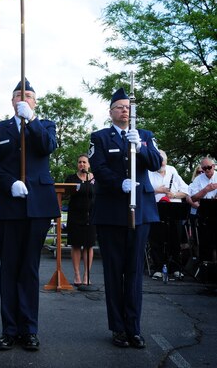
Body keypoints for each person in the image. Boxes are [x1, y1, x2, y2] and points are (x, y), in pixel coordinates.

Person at [0, 79, 60, 352]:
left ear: (35, 102)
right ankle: (9, 329)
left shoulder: (46, 125)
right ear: (11, 100)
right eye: (18, 95)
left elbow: (48, 147)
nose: (23, 98)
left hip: (37, 207)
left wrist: (34, 121)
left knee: (29, 268)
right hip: (8, 205)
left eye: (28, 95)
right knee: (9, 268)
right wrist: (9, 183)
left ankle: (29, 329)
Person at [88, 87, 162, 350]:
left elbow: (155, 163)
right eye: (119, 106)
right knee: (113, 271)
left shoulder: (145, 136)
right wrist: (119, 183)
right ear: (110, 112)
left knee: (134, 272)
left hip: (140, 212)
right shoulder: (100, 137)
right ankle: (118, 328)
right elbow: (98, 166)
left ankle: (134, 328)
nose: (124, 110)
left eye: (128, 107)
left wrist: (139, 146)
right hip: (111, 212)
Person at [147, 150, 189, 279]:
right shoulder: (148, 172)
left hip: (173, 209)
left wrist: (174, 194)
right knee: (156, 240)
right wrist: (156, 190)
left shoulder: (172, 170)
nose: (161, 164)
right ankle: (158, 268)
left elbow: (186, 191)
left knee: (175, 239)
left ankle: (175, 267)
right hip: (154, 209)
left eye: (163, 162)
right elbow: (141, 190)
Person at [64, 154, 96, 287]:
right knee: (76, 245)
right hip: (75, 216)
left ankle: (86, 275)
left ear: (88, 164)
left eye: (84, 162)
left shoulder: (95, 178)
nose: (82, 164)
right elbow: (64, 194)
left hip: (91, 216)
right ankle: (77, 274)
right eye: (79, 162)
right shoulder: (71, 178)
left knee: (88, 246)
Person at [188, 157, 217, 263]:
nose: (207, 170)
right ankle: (206, 273)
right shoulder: (198, 179)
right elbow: (193, 198)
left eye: (209, 167)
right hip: (205, 214)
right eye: (204, 168)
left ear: (213, 166)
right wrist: (205, 190)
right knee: (205, 243)